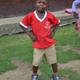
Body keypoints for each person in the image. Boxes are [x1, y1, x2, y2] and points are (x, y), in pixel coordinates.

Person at [20, 0, 61, 80]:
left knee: (53, 61)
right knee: (35, 63)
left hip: (49, 44)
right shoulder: (31, 15)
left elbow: (57, 23)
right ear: (35, 4)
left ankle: (55, 75)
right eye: (39, 2)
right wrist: (31, 35)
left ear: (46, 5)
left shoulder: (49, 15)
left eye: (44, 3)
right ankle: (34, 75)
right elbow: (22, 25)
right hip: (38, 45)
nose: (41, 4)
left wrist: (53, 33)